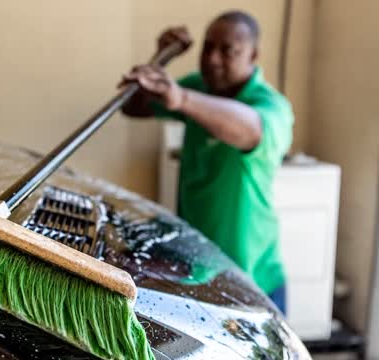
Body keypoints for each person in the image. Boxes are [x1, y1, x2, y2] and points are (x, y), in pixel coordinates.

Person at [120, 10, 293, 314]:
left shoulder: (271, 105)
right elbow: (133, 107)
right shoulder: (198, 86)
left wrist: (182, 100)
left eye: (227, 50)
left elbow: (252, 129)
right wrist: (159, 60)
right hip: (200, 269)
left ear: (253, 55)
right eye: (208, 47)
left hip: (252, 282)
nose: (213, 58)